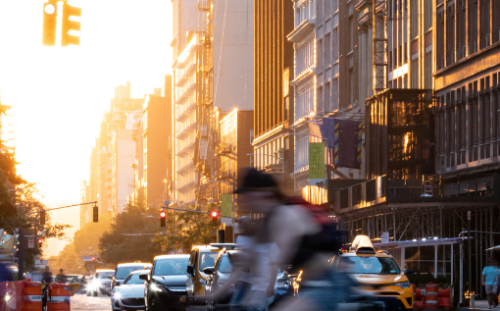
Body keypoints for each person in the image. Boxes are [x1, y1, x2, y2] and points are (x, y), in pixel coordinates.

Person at [235, 168, 352, 311]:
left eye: (248, 195)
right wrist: (213, 295)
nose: (244, 200)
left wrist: (261, 293)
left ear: (264, 193)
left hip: (328, 283)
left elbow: (277, 260)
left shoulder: (285, 215)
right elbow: (248, 261)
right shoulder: (265, 222)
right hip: (309, 286)